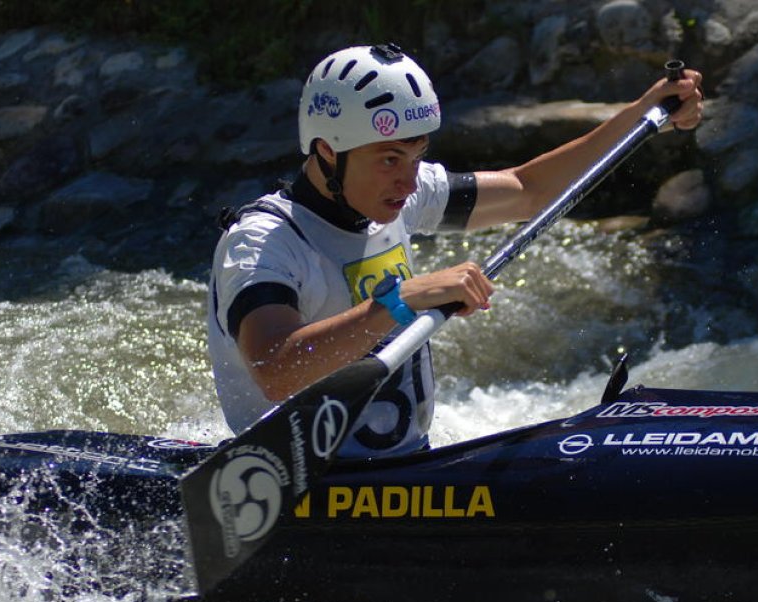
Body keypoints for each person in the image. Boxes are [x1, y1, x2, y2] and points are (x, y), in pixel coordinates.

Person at [207, 43, 703, 456]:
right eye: (389, 158)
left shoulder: (403, 194)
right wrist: (398, 301)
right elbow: (276, 372)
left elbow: (527, 190)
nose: (407, 178)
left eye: (417, 155)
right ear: (326, 153)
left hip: (403, 473)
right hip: (302, 489)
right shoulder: (262, 243)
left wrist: (642, 114)